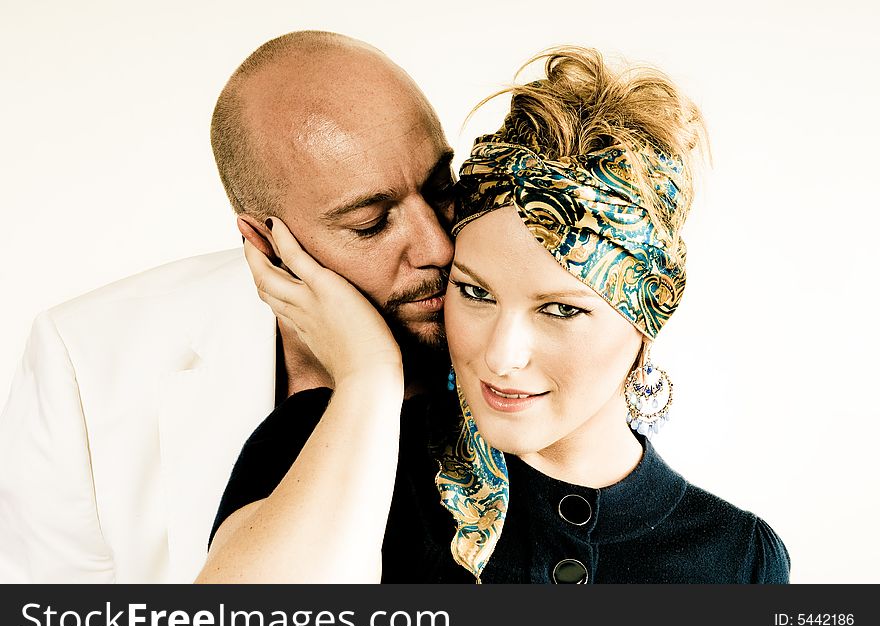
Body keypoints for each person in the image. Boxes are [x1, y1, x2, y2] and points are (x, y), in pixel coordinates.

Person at [202, 46, 790, 584]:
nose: (502, 354)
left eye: (560, 309)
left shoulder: (739, 560)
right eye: (475, 293)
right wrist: (369, 375)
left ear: (647, 314)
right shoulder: (327, 444)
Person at [0, 31, 455, 583]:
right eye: (370, 224)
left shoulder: (544, 324)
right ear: (264, 244)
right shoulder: (85, 364)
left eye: (439, 188)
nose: (438, 247)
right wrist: (370, 375)